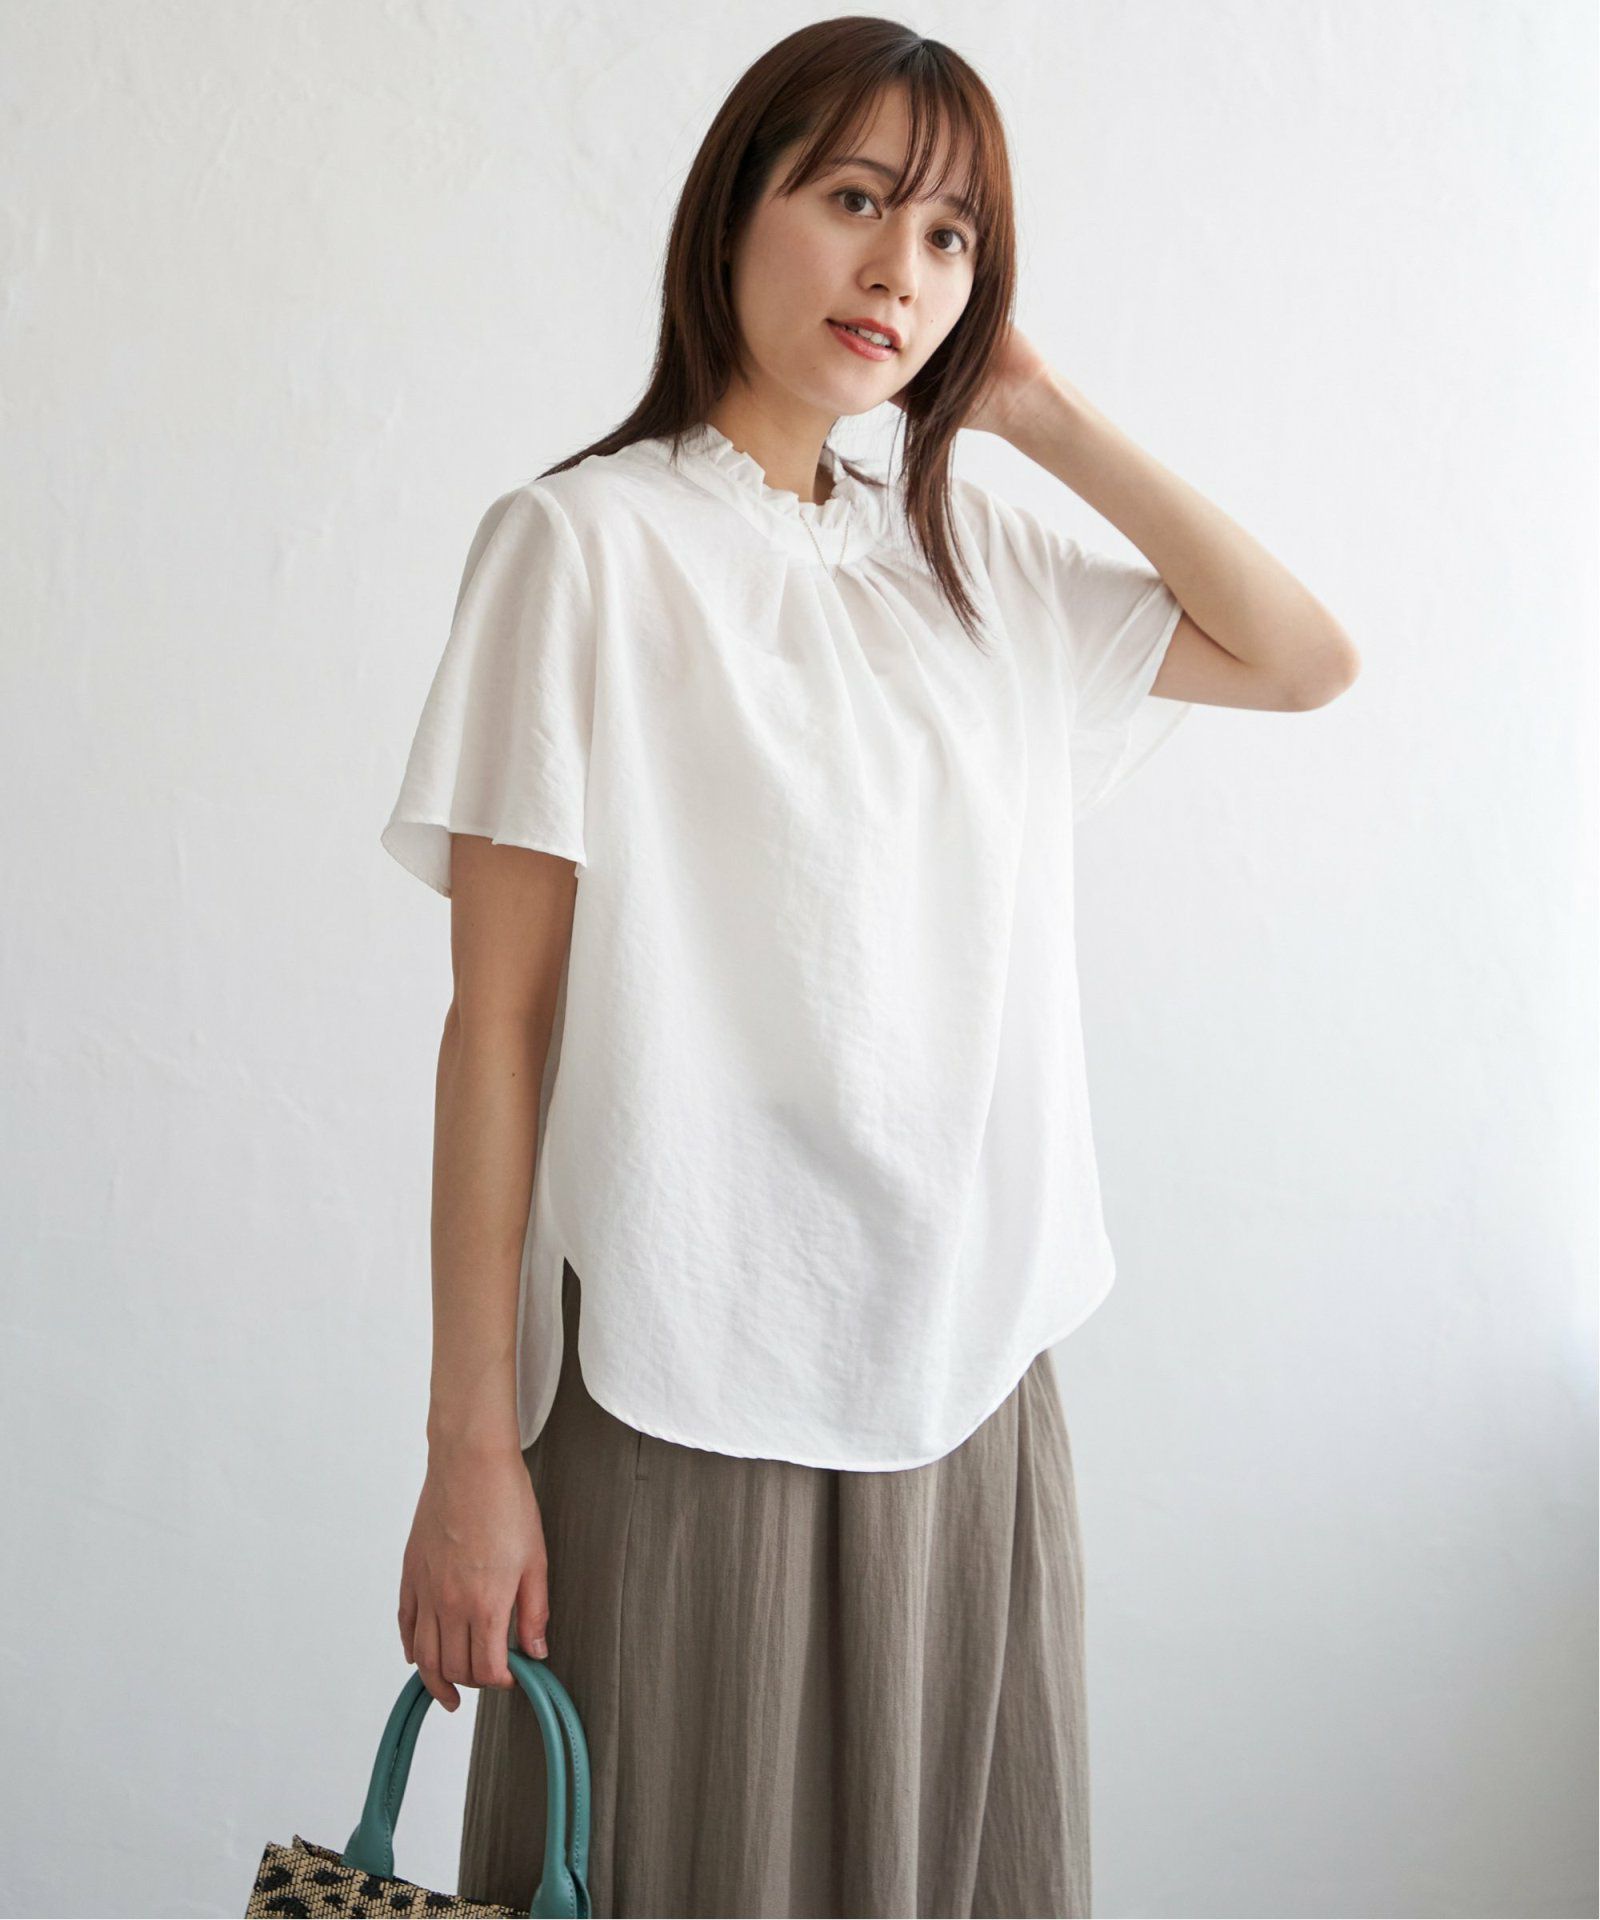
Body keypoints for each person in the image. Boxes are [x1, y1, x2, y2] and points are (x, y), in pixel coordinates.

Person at [379, 20, 1359, 1919]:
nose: (900, 271)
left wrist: (1040, 414)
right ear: (732, 211)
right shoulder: (583, 550)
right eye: (853, 201)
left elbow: (1300, 656)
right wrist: (468, 1444)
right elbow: (496, 1024)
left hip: (970, 1381)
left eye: (952, 238)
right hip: (680, 1371)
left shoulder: (967, 559)